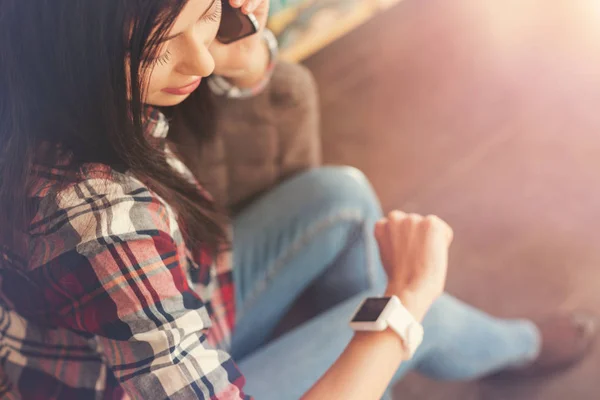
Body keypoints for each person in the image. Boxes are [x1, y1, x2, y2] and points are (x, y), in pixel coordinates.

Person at [0, 1, 596, 399]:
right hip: (126, 380)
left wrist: (234, 33)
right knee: (419, 314)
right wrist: (404, 304)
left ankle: (368, 361)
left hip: (181, 308)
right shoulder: (99, 222)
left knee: (339, 194)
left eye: (208, 16)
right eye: (159, 49)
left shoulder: (57, 92)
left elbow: (247, 73)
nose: (202, 61)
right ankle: (513, 345)